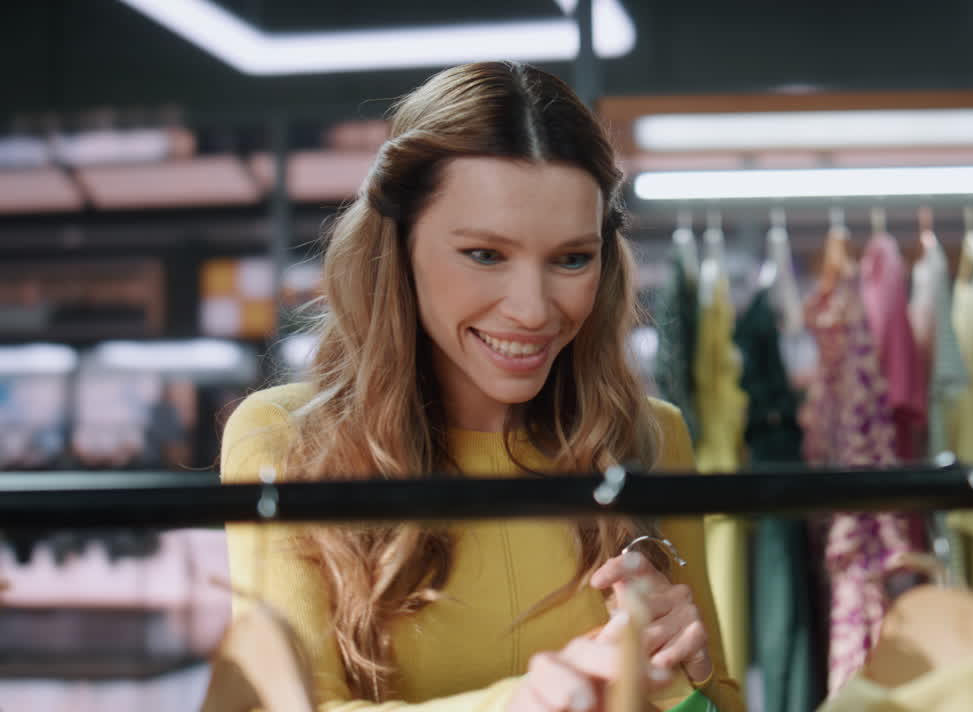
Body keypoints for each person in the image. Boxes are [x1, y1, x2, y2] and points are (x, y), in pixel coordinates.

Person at [220, 62, 742, 712]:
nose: (532, 309)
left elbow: (720, 702)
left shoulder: (649, 436)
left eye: (571, 258)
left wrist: (681, 681)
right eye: (485, 255)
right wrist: (522, 703)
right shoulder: (287, 439)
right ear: (400, 247)